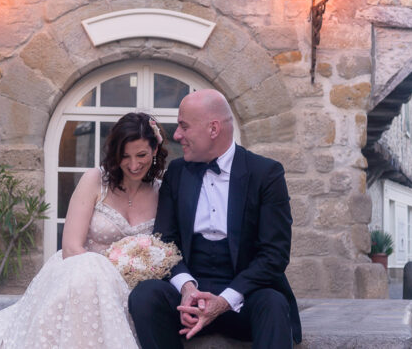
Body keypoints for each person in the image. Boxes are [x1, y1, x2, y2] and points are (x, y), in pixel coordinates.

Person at [0, 112, 168, 348]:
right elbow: (71, 247)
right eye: (125, 156)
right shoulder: (96, 180)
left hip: (135, 291)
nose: (133, 164)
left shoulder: (162, 192)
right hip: (81, 277)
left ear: (155, 150)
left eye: (141, 155)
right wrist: (106, 286)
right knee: (90, 268)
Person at [128, 89, 302, 349]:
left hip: (243, 294)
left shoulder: (266, 173)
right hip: (189, 294)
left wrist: (224, 301)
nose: (177, 135)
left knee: (273, 304)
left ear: (213, 129)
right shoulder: (177, 172)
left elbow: (274, 255)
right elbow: (165, 242)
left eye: (184, 126)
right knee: (145, 295)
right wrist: (187, 288)